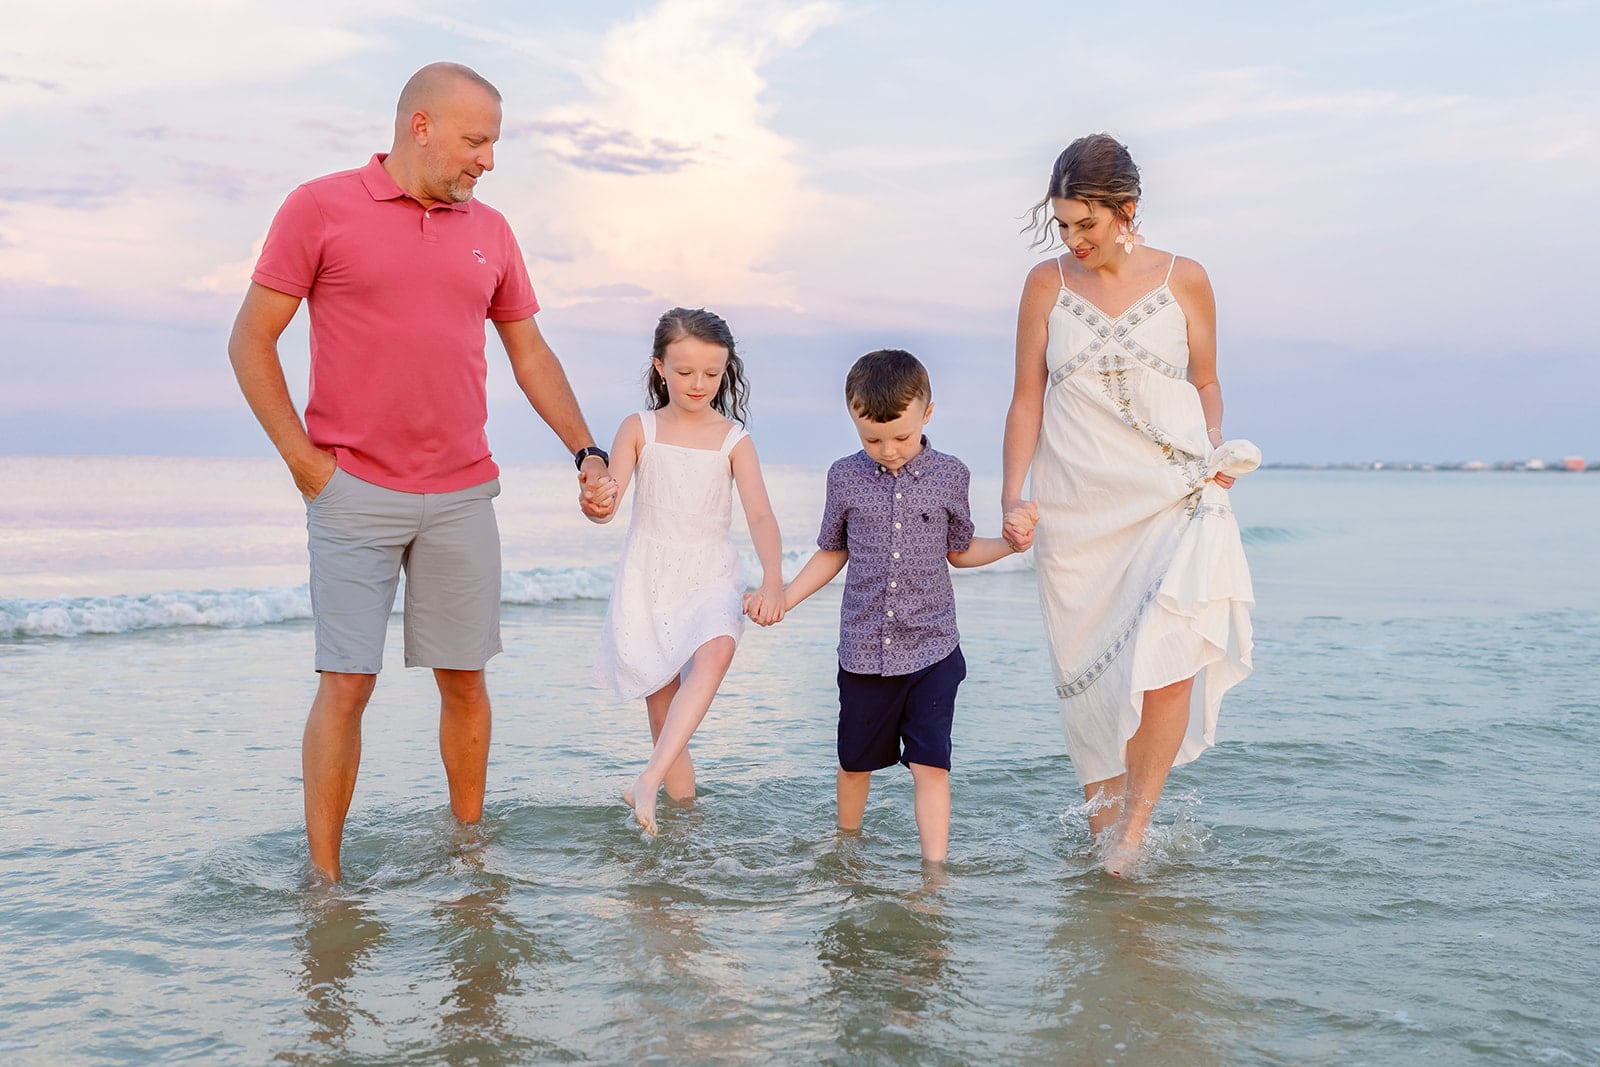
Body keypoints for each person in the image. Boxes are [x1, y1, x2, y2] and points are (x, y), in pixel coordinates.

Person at [227, 62, 618, 883]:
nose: (486, 159)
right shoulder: (319, 206)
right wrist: (306, 464)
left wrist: (586, 451)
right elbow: (251, 339)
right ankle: (325, 883)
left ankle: (468, 853)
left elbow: (530, 352)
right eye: (476, 140)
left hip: (463, 491)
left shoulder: (494, 230)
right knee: (346, 684)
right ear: (422, 126)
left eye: (493, 144)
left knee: (465, 680)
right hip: (352, 491)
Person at [1001, 134, 1257, 877]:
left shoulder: (1187, 279)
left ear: (1126, 212)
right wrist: (1013, 494)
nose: (1073, 240)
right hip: (1077, 509)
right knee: (1088, 679)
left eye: (1086, 224)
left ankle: (1135, 831)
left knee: (1171, 654)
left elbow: (1206, 382)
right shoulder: (1044, 286)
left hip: (1171, 495)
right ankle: (1102, 834)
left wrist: (1212, 445)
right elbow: (1026, 399)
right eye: (1063, 226)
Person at [752, 349, 1031, 868]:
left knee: (931, 766)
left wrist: (1012, 545)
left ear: (927, 413)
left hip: (932, 649)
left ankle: (934, 873)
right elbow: (833, 550)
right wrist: (784, 598)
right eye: (872, 440)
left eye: (900, 437)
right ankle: (847, 848)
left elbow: (960, 551)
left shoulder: (952, 475)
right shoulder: (844, 477)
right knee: (855, 764)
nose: (889, 450)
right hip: (863, 653)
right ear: (854, 420)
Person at [590, 308, 786, 836]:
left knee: (718, 646)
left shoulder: (732, 439)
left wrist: (772, 578)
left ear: (726, 371)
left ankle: (647, 780)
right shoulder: (640, 428)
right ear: (659, 367)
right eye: (684, 372)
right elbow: (608, 501)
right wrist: (597, 501)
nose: (698, 384)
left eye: (712, 373)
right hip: (649, 578)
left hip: (709, 571)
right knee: (664, 717)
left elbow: (761, 514)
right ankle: (683, 823)